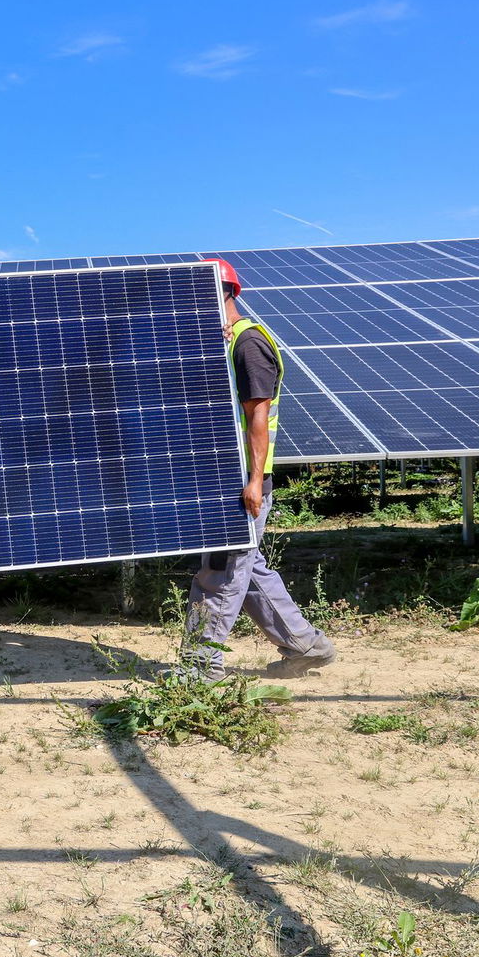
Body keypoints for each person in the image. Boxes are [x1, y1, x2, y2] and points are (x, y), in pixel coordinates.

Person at [183, 258, 337, 681]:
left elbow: (257, 415)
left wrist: (253, 481)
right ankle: (306, 646)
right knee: (249, 569)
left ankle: (200, 668)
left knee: (221, 572)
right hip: (223, 476)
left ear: (221, 293)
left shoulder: (248, 343)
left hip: (244, 482)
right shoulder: (221, 342)